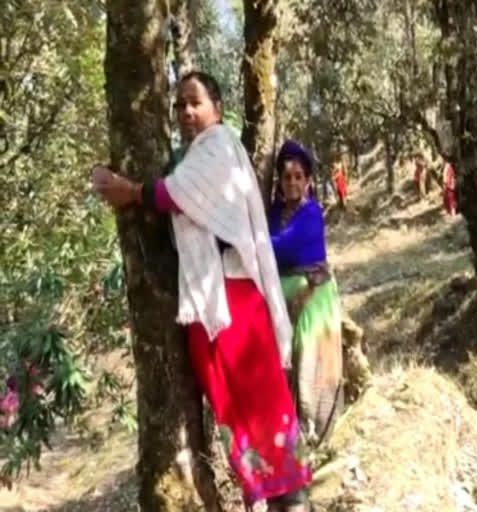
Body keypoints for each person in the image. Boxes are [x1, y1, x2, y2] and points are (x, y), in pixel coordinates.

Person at [90, 72, 311, 512]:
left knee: (263, 397)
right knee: (229, 402)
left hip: (238, 297)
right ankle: (259, 492)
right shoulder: (188, 157)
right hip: (207, 299)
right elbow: (178, 186)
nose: (187, 112)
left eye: (195, 102)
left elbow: (177, 194)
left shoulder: (220, 146)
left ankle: (293, 496)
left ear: (218, 108)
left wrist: (131, 192)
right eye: (180, 106)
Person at [268, 140, 344, 451]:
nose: (293, 183)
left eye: (299, 177)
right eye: (287, 177)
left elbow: (282, 247)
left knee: (310, 358)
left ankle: (318, 431)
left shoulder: (311, 212)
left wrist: (255, 244)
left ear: (309, 181)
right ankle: (293, 433)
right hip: (283, 301)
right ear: (280, 183)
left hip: (313, 298)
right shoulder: (273, 211)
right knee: (287, 362)